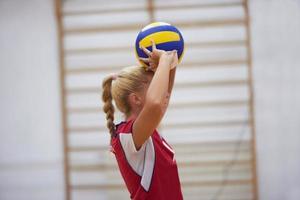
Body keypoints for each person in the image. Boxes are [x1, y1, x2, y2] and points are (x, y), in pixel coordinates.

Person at [101, 40, 183, 200]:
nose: (159, 88)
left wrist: (169, 65)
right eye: (153, 85)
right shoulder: (126, 135)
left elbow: (162, 98)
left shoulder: (144, 129)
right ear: (136, 99)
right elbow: (155, 103)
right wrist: (164, 62)